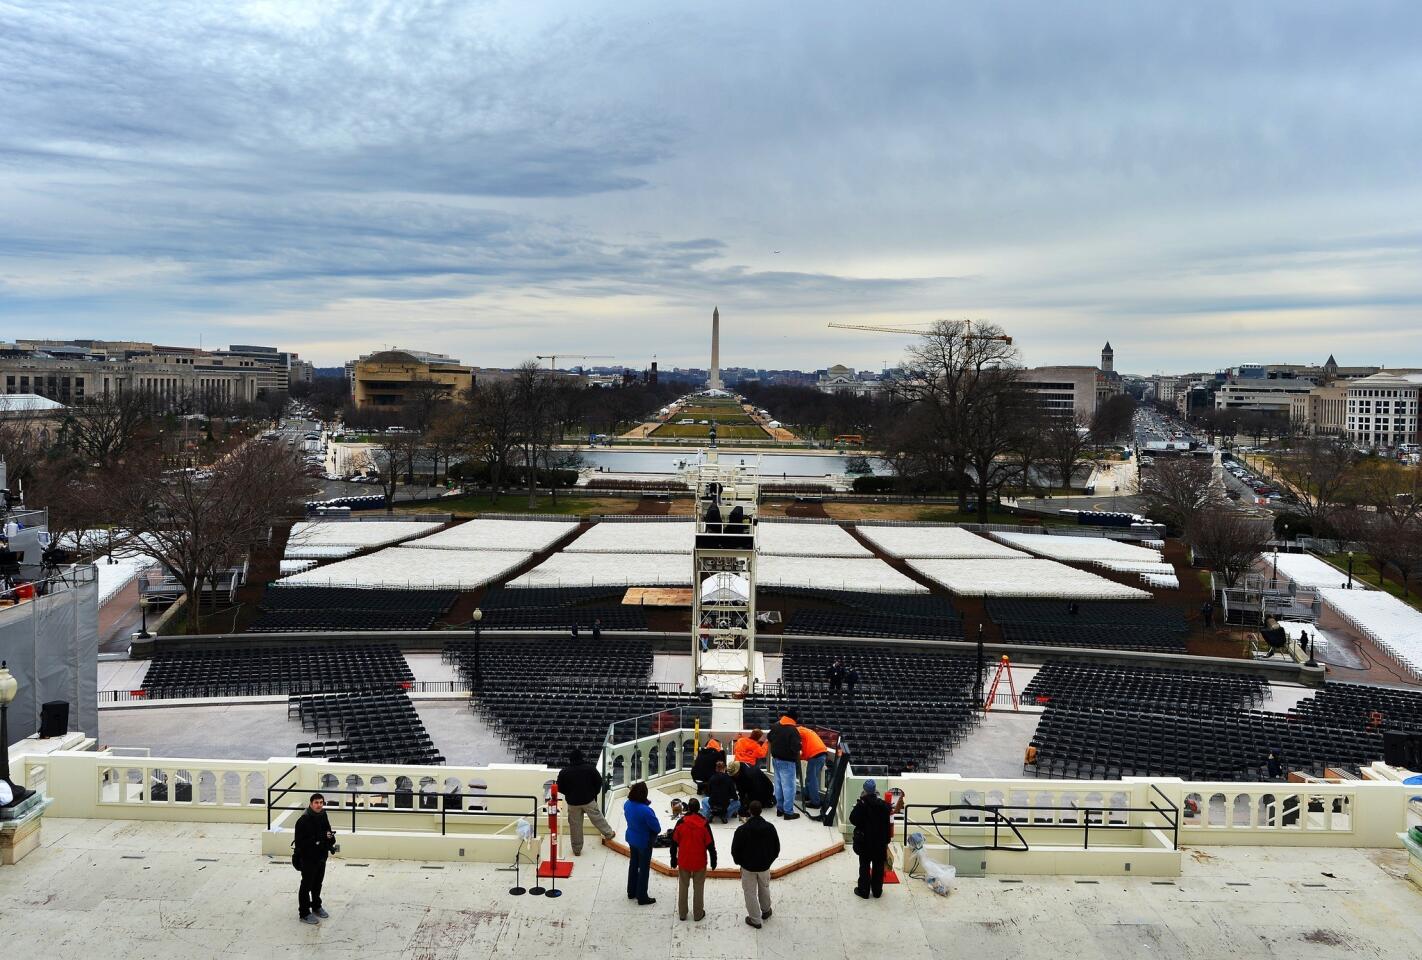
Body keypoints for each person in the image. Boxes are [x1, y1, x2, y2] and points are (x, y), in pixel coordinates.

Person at [556, 748, 614, 856]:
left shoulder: (564, 772)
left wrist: (569, 793)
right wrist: (593, 793)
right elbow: (598, 782)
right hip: (589, 800)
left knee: (575, 826)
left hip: (573, 803)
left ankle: (577, 850)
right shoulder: (590, 769)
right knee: (598, 818)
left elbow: (559, 787)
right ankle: (609, 834)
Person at [731, 800, 780, 928]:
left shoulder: (742, 830)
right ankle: (766, 910)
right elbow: (776, 848)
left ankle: (755, 919)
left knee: (749, 892)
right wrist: (768, 861)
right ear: (761, 811)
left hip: (748, 867)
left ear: (750, 812)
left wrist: (740, 862)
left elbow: (735, 850)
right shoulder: (770, 828)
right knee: (764, 887)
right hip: (764, 866)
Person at [671, 797, 717, 921]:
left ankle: (682, 913)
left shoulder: (681, 823)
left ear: (688, 808)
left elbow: (674, 842)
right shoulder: (704, 824)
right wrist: (714, 860)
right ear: (698, 809)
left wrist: (673, 859)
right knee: (698, 888)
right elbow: (710, 845)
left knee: (683, 886)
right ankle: (697, 914)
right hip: (699, 861)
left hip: (684, 860)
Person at [294, 793, 337, 924]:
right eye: (316, 803)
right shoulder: (303, 820)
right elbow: (300, 843)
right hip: (308, 859)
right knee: (306, 885)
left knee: (317, 883)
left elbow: (328, 832)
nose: (319, 805)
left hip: (321, 856)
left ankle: (316, 906)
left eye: (321, 803)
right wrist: (317, 841)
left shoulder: (323, 815)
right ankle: (304, 913)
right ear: (311, 803)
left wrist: (329, 839)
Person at [848, 779, 892, 899]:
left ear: (864, 790)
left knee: (864, 866)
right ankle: (877, 891)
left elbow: (852, 819)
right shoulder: (883, 806)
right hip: (879, 843)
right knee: (878, 867)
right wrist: (887, 841)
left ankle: (864, 890)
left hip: (865, 843)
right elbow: (888, 824)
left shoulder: (862, 805)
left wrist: (859, 803)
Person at [623, 782, 660, 905]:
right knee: (643, 868)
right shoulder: (646, 811)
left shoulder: (627, 804)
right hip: (644, 842)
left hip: (631, 838)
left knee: (633, 864)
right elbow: (657, 828)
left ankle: (631, 891)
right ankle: (642, 896)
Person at [767, 711, 802, 819]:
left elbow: (769, 738)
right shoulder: (792, 729)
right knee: (789, 788)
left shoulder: (775, 725)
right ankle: (788, 812)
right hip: (787, 761)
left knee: (778, 785)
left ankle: (780, 809)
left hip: (776, 760)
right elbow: (796, 747)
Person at [798, 723, 830, 809]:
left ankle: (815, 802)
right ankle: (808, 796)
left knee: (812, 780)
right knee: (809, 778)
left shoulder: (799, 731)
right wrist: (799, 758)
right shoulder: (806, 732)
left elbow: (803, 751)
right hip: (820, 754)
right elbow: (805, 752)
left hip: (816, 756)